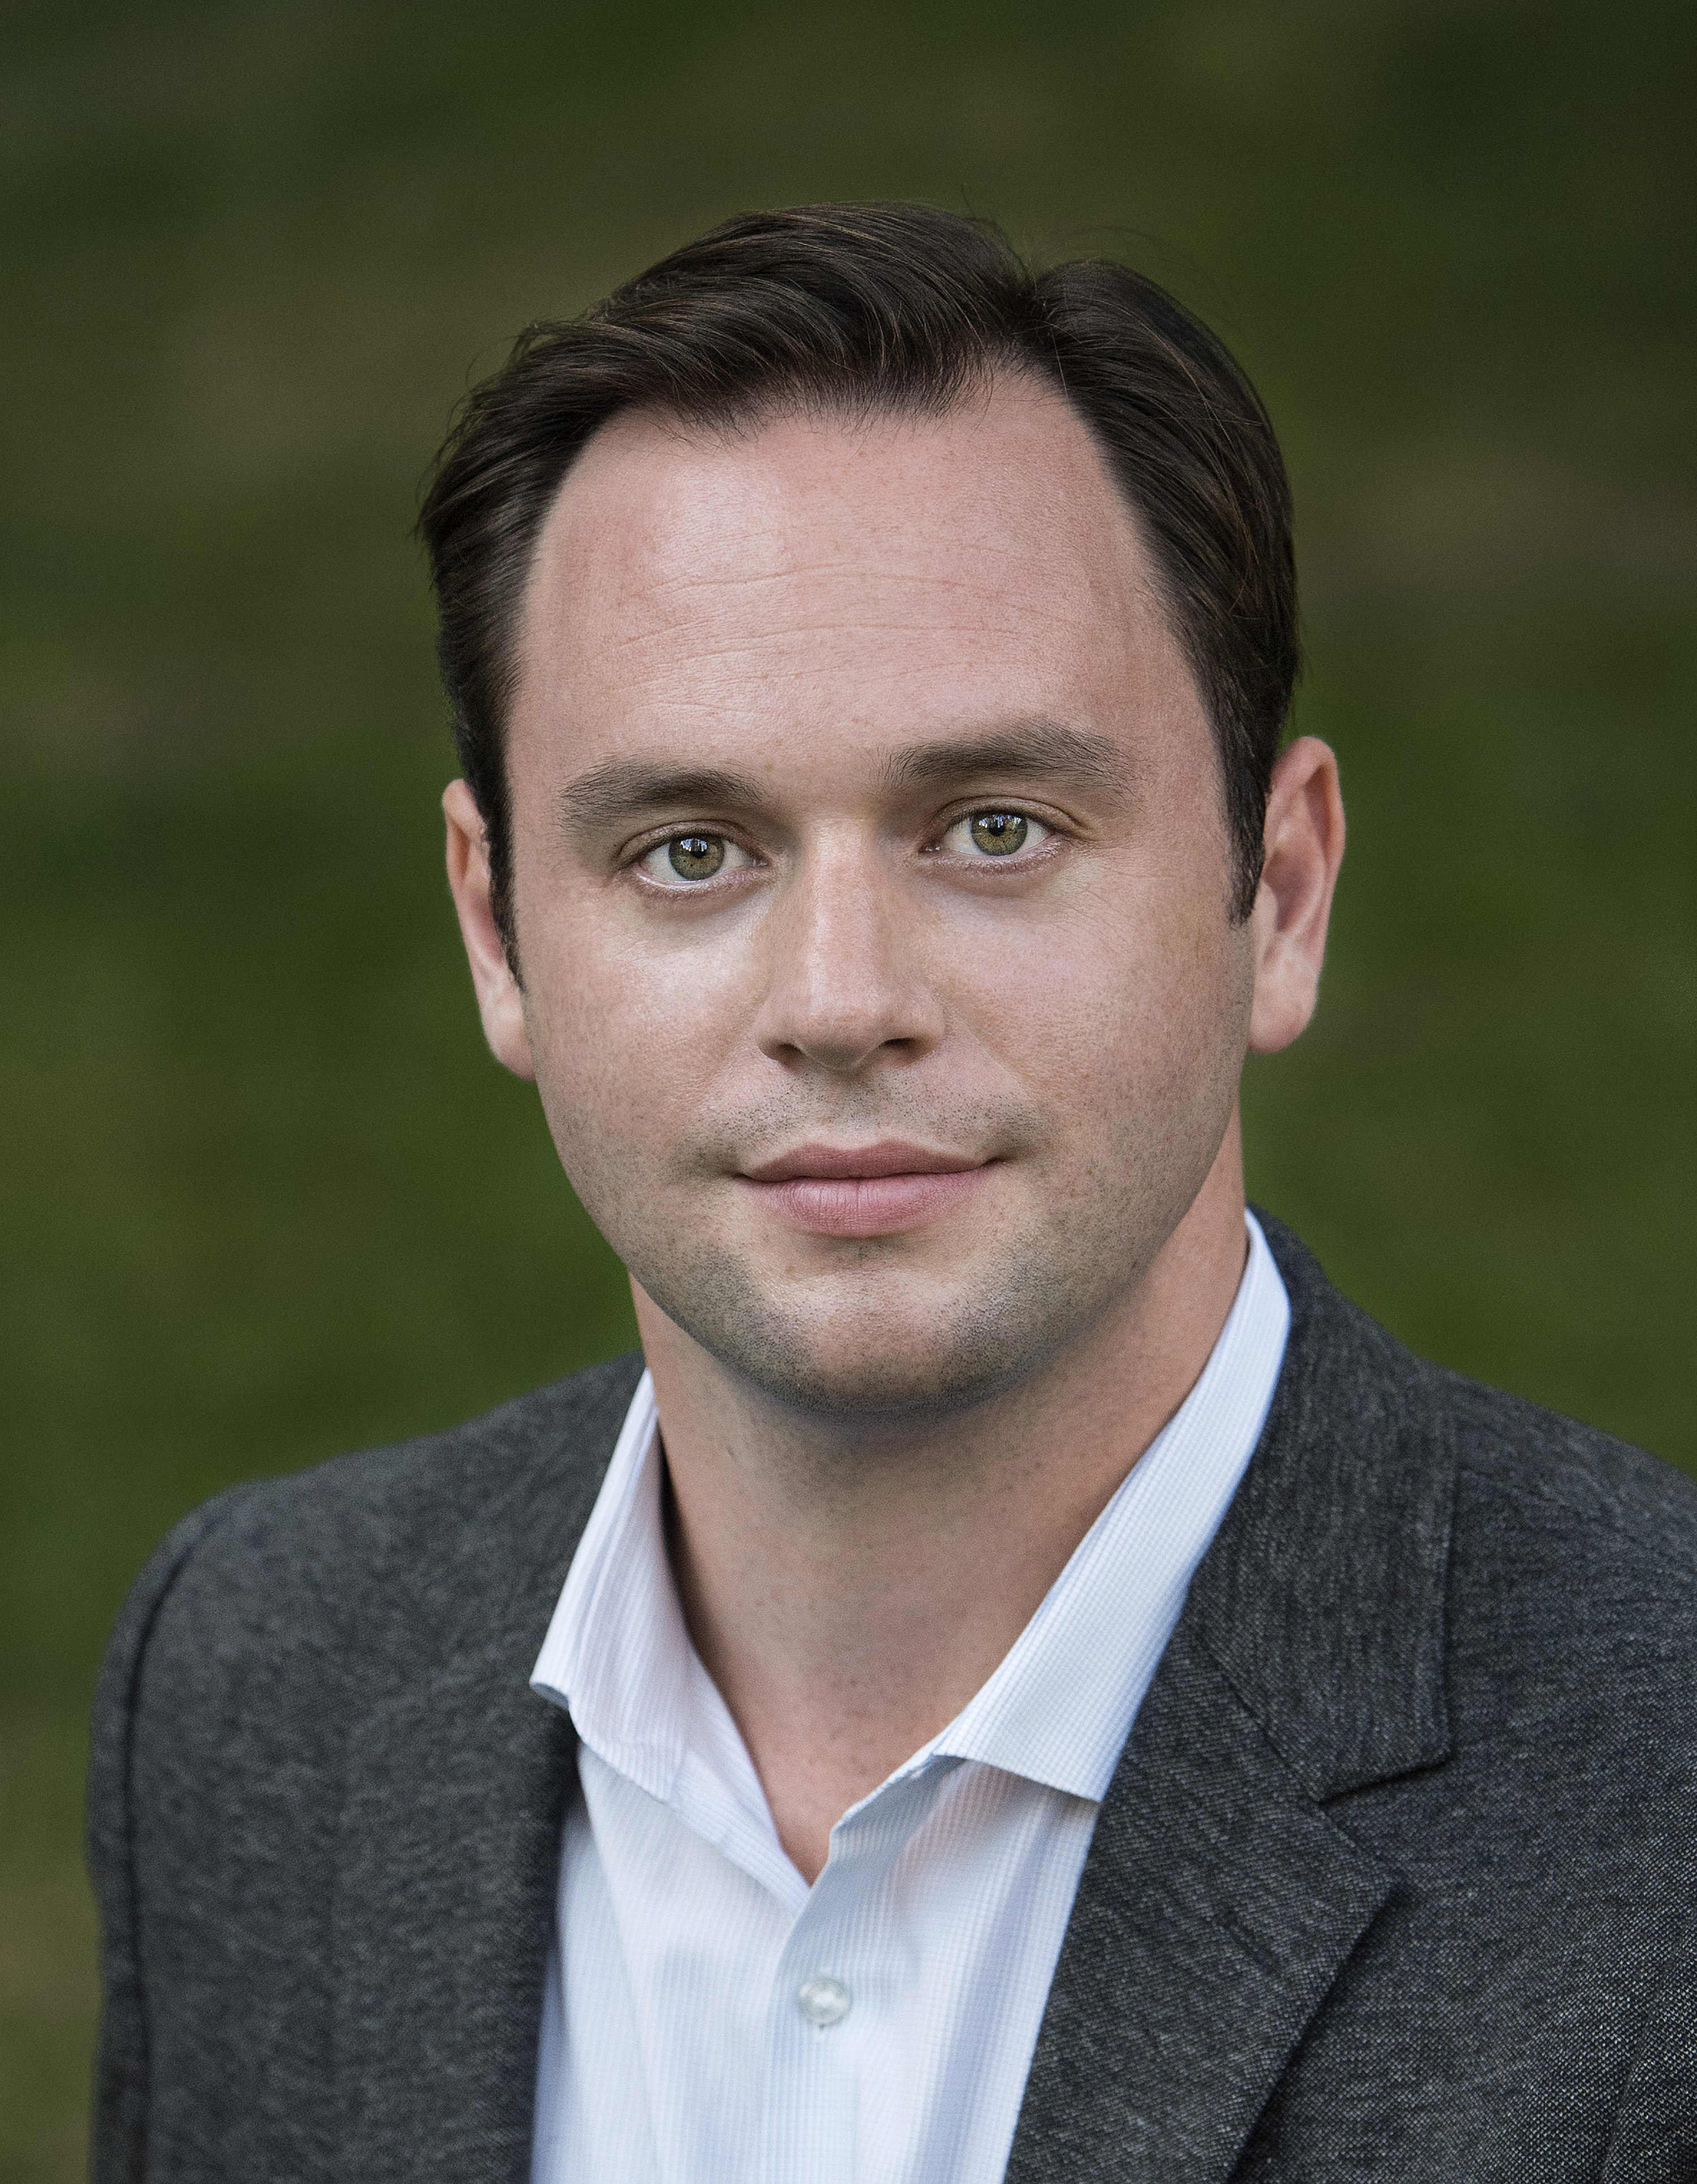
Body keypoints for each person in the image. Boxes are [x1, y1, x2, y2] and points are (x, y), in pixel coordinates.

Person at [88, 203, 1697, 2184]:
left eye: (995, 828)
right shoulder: (255, 1683)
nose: (841, 1002)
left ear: (1278, 894)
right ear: (497, 933)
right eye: (690, 851)